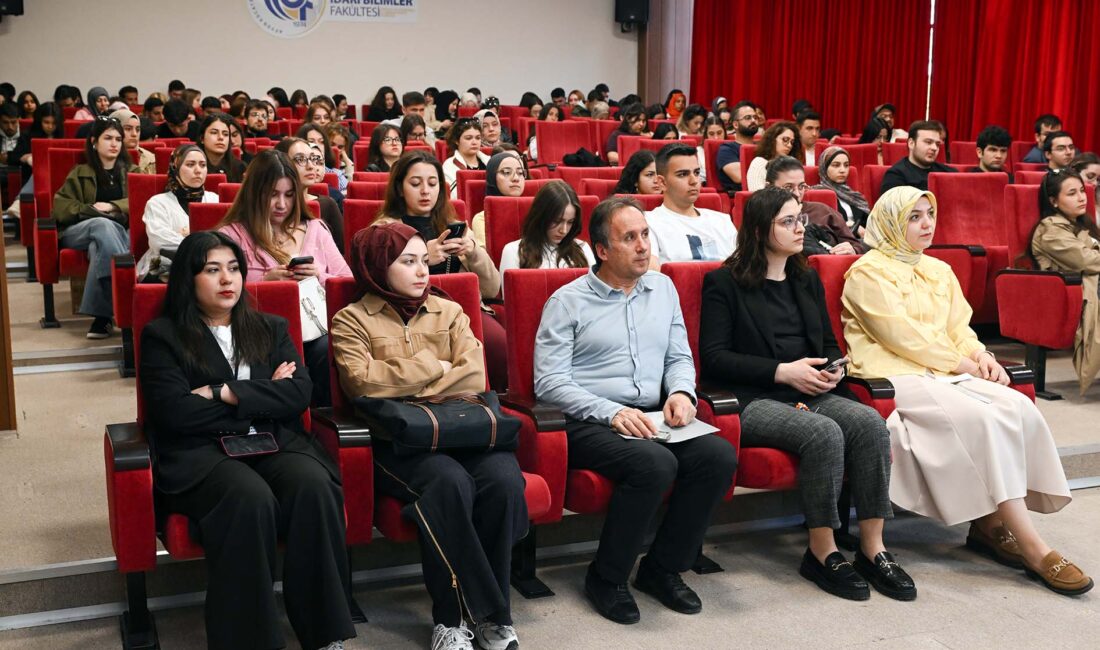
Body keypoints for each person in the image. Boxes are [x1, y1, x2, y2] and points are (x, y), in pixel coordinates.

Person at [842, 186, 1092, 596]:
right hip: (895, 374)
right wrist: (963, 363)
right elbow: (901, 336)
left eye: (929, 214)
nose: (927, 224)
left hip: (943, 369)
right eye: (914, 217)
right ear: (890, 222)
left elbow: (960, 329)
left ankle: (988, 525)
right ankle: (1032, 546)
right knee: (979, 419)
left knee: (1017, 407)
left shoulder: (938, 269)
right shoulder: (868, 272)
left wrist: (982, 355)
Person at [140, 230, 354, 650]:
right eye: (213, 270)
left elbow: (299, 394)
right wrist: (261, 400)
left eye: (235, 269)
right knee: (249, 497)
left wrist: (223, 393)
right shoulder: (163, 336)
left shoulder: (270, 327)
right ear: (188, 279)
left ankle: (324, 632)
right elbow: (175, 413)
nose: (228, 280)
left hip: (272, 442)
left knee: (313, 486)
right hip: (202, 454)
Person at [699, 186, 914, 601]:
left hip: (810, 389)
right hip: (753, 398)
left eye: (800, 219)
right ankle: (822, 550)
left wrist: (833, 370)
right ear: (761, 230)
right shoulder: (723, 282)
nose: (802, 228)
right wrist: (783, 372)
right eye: (788, 221)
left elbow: (829, 344)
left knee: (870, 423)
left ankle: (873, 548)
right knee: (823, 433)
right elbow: (715, 359)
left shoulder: (806, 276)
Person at [534, 196, 739, 624]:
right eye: (629, 238)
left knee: (717, 456)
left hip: (653, 414)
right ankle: (606, 577)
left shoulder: (662, 288)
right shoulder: (567, 302)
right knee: (653, 464)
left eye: (645, 234)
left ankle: (661, 569)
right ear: (603, 251)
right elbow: (549, 383)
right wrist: (610, 412)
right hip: (588, 420)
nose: (643, 245)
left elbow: (679, 357)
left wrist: (682, 393)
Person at [331, 223, 525, 650]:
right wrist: (436, 366)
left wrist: (407, 384)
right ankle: (456, 618)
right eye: (408, 261)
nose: (423, 271)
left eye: (424, 260)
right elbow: (363, 385)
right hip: (401, 443)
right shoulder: (352, 320)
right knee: (449, 483)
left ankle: (492, 615)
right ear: (378, 266)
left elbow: (474, 373)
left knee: (504, 480)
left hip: (464, 428)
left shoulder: (448, 310)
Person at [218, 149, 351, 406]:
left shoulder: (315, 229)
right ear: (255, 194)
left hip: (316, 330)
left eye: (289, 195)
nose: (282, 204)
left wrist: (318, 275)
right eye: (272, 195)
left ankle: (325, 417)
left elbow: (346, 282)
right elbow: (217, 292)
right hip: (259, 332)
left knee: (330, 346)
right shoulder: (232, 236)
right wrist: (265, 285)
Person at [372, 150, 506, 388]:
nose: (425, 191)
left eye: (433, 183)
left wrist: (474, 252)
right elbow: (375, 280)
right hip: (412, 315)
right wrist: (424, 258)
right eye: (415, 183)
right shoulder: (384, 229)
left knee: (498, 346)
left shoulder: (453, 225)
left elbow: (492, 288)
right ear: (400, 188)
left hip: (464, 309)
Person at [50, 118, 131, 338]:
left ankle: (102, 318)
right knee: (102, 224)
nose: (114, 144)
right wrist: (91, 211)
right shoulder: (80, 172)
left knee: (100, 246)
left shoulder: (131, 171)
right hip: (79, 231)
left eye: (118, 139)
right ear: (94, 142)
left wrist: (113, 206)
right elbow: (60, 206)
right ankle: (124, 296)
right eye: (108, 138)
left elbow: (144, 202)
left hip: (120, 232)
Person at [1027, 170, 1100, 394]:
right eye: (1071, 193)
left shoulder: (1079, 224)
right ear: (1053, 201)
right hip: (1071, 294)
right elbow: (1088, 260)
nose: (1081, 197)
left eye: (1081, 191)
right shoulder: (1050, 230)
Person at [137, 144, 219, 281]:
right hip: (164, 266)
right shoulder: (157, 203)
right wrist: (203, 243)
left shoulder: (216, 199)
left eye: (203, 165)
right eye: (190, 164)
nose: (198, 170)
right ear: (176, 168)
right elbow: (160, 243)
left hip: (211, 264)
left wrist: (188, 236)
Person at [645, 143, 737, 265]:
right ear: (662, 182)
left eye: (697, 173)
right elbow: (653, 276)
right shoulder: (648, 222)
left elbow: (745, 270)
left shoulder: (722, 221)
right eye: (683, 174)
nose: (694, 181)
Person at [767, 156, 864, 256]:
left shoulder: (823, 211)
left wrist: (852, 249)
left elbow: (856, 246)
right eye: (788, 187)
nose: (797, 193)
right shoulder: (763, 215)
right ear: (769, 187)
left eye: (801, 186)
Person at [499, 180, 595, 274]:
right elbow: (509, 290)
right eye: (557, 221)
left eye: (570, 222)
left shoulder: (582, 249)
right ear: (541, 216)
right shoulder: (513, 251)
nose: (564, 230)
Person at [274, 137, 345, 252]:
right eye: (300, 159)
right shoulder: (271, 206)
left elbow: (341, 255)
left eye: (313, 159)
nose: (311, 166)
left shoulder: (327, 205)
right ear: (281, 163)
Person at [880, 121, 955, 194]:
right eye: (928, 142)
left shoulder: (948, 173)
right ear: (911, 143)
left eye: (937, 144)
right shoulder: (896, 175)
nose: (934, 148)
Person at [470, 151, 526, 248]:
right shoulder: (483, 219)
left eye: (520, 173)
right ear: (492, 177)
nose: (516, 178)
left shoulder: (535, 211)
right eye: (507, 172)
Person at [814, 146, 872, 234]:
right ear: (824, 168)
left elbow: (868, 223)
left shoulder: (854, 196)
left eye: (846, 165)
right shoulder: (817, 194)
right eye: (836, 165)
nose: (842, 170)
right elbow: (821, 227)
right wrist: (854, 229)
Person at [715, 101, 759, 193]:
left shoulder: (761, 147)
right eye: (748, 118)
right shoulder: (726, 149)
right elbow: (740, 176)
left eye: (755, 117)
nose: (753, 120)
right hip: (740, 198)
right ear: (735, 124)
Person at [746, 121, 802, 191]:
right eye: (785, 140)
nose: (789, 145)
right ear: (772, 139)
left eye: (792, 142)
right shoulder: (759, 163)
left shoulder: (791, 165)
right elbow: (757, 194)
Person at [441, 118, 489, 199]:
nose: (474, 142)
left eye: (478, 138)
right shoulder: (449, 165)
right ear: (457, 140)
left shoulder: (489, 161)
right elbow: (452, 197)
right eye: (468, 138)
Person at [195, 113, 245, 182]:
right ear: (202, 138)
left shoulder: (240, 168)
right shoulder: (194, 167)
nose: (221, 137)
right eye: (214, 133)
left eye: (225, 134)